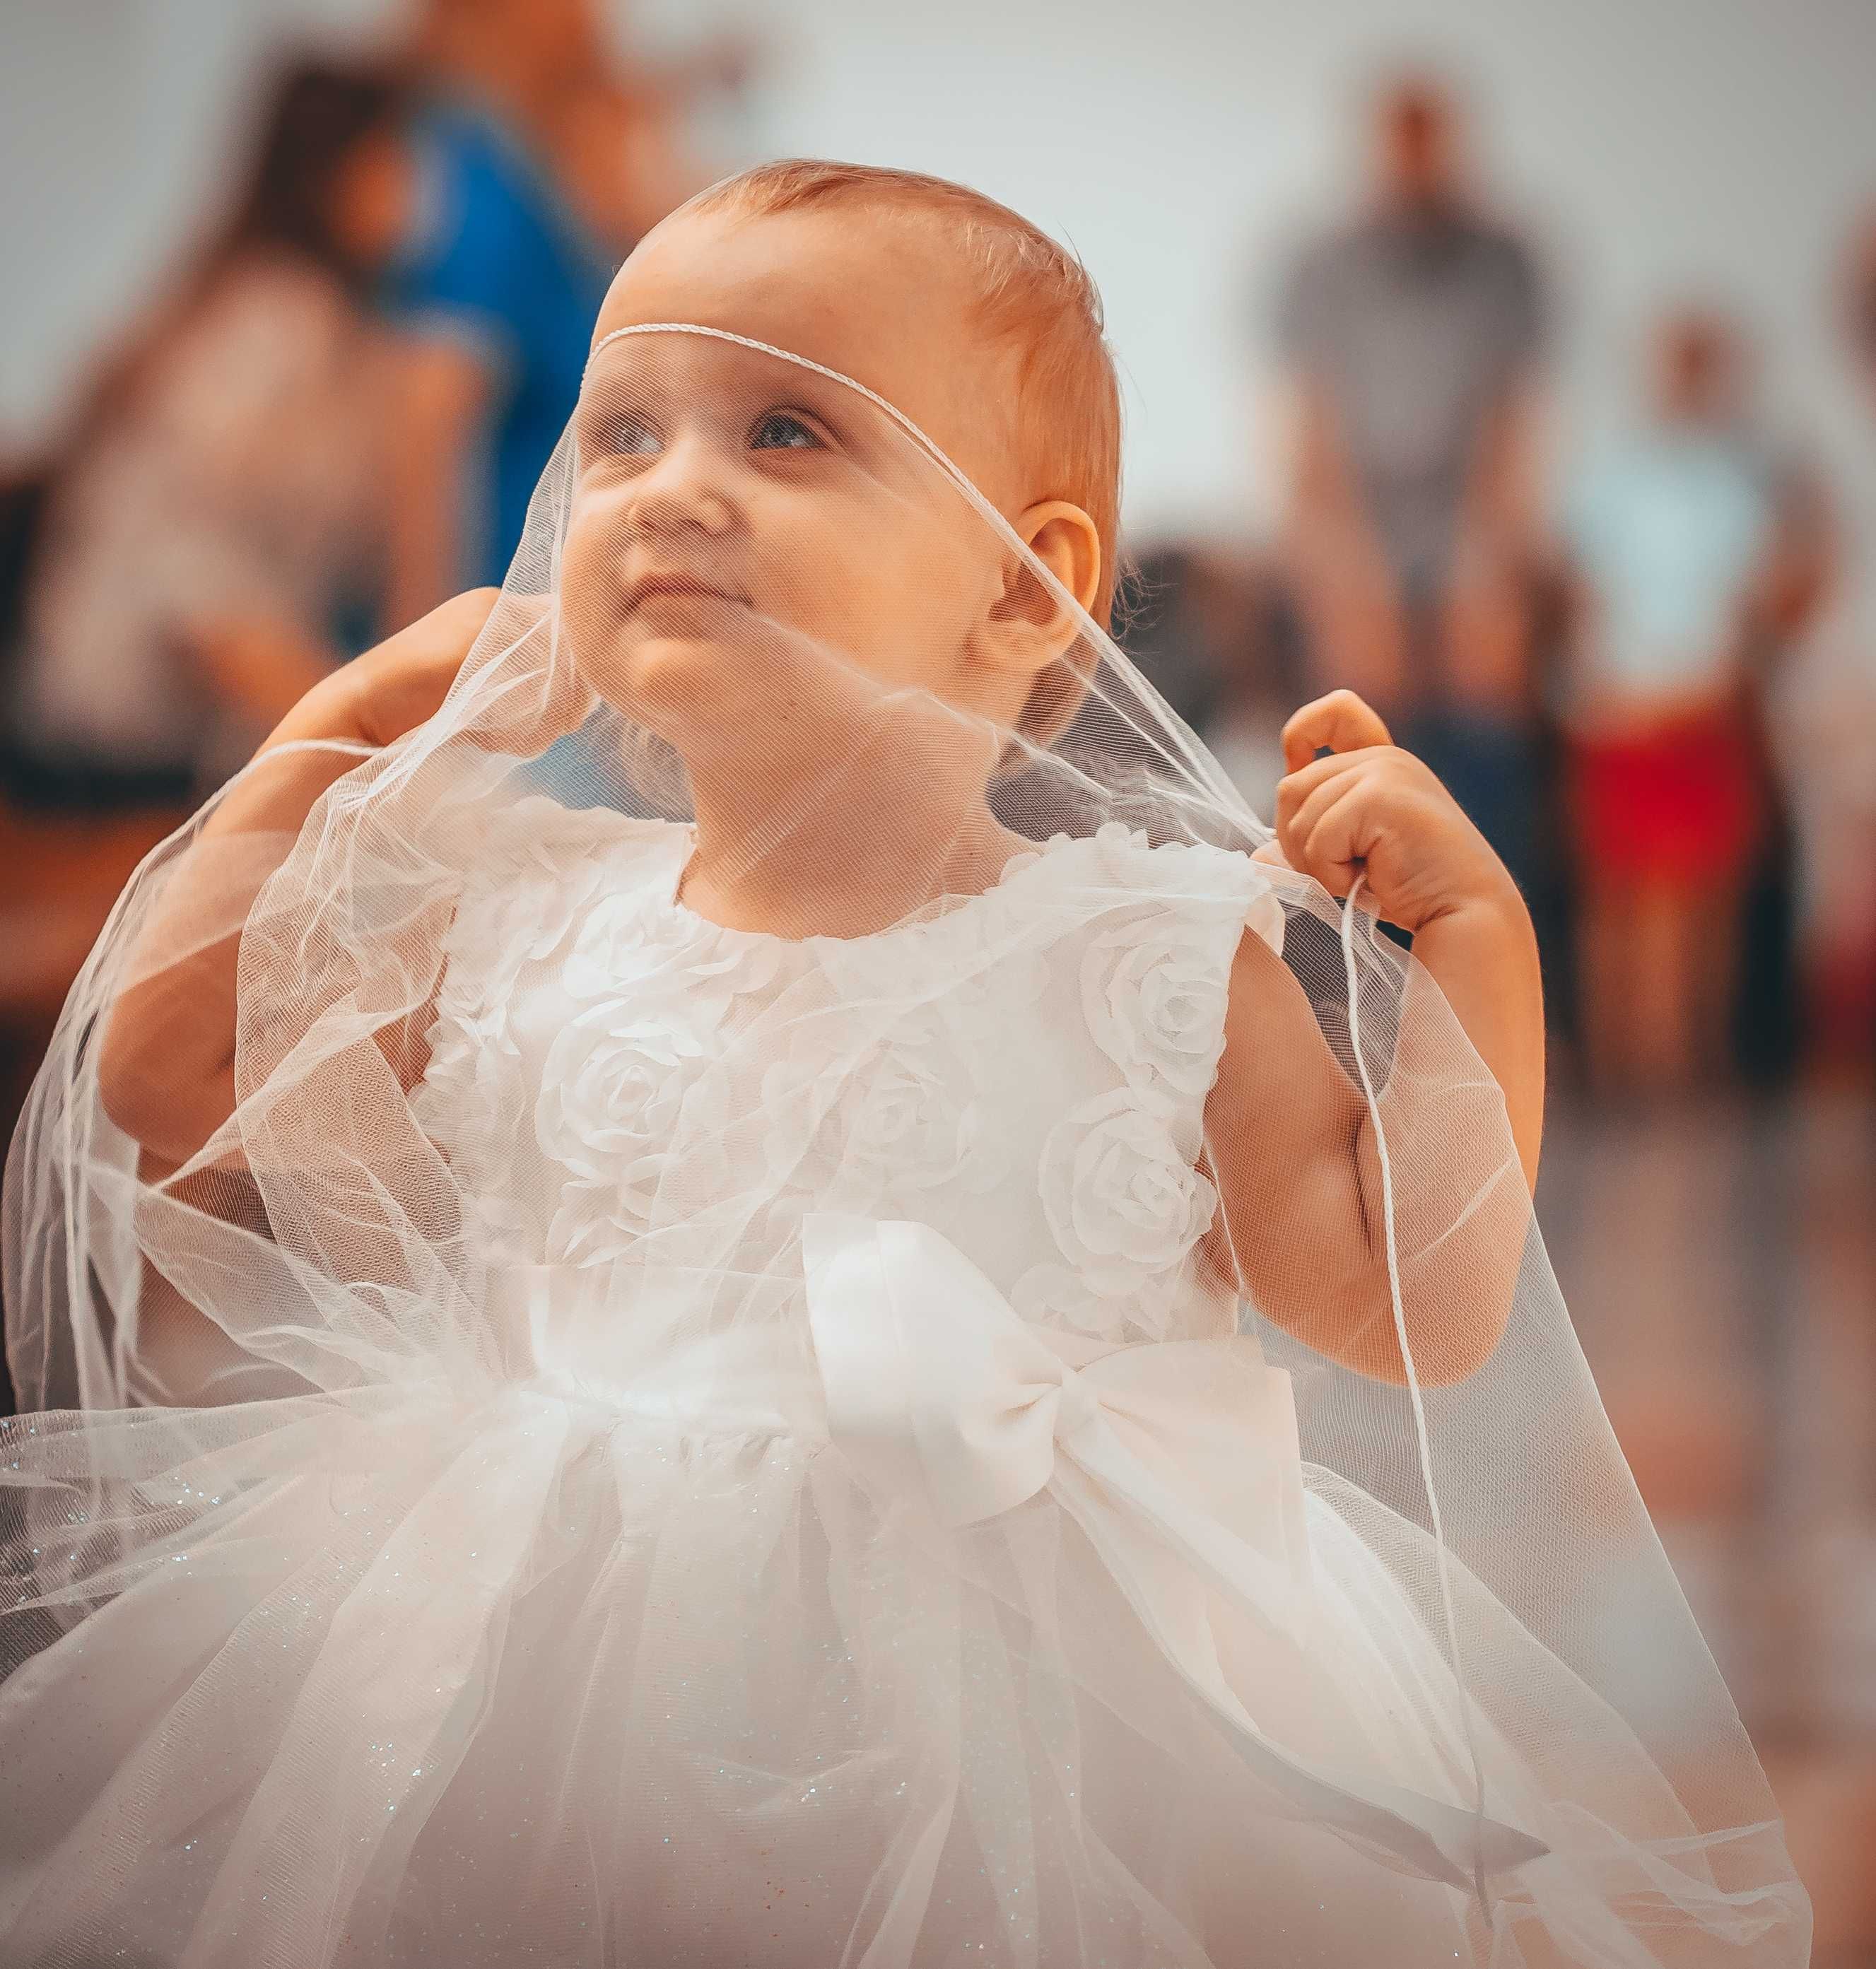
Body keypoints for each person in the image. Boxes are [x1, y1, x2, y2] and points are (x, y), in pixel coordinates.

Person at [0, 163, 1806, 1965]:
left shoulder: (1151, 957)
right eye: (621, 436)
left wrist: (1477, 955)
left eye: (784, 432)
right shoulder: (519, 914)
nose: (672, 489)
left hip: (1063, 1737)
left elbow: (1404, 1311)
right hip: (546, 1680)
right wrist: (328, 736)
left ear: (1028, 589)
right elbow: (171, 1082)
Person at [2, 60, 413, 811]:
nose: (418, 188)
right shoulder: (270, 326)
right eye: (397, 158)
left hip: (195, 710)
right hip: (123, 724)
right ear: (337, 171)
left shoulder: (327, 323)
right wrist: (338, 718)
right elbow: (187, 571)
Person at [1272, 69, 1549, 894]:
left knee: (1482, 747)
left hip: (1467, 544)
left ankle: (1488, 978)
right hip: (1357, 543)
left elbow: (1514, 422)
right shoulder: (1320, 264)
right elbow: (1308, 430)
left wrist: (1489, 574)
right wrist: (1344, 578)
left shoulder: (1505, 261)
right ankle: (1352, 992)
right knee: (1352, 751)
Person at [1560, 310, 1820, 1097]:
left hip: (1704, 706)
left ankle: (1690, 1062)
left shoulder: (1744, 482)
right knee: (1622, 898)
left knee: (1702, 897)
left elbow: (1756, 602)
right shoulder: (1611, 478)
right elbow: (1586, 597)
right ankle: (1626, 1063)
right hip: (1623, 704)